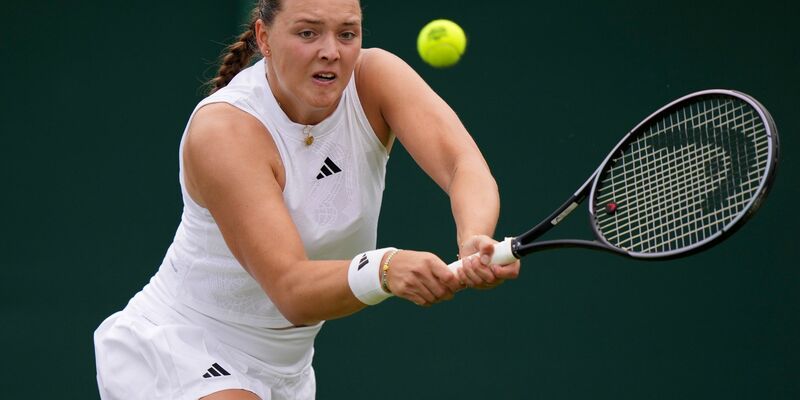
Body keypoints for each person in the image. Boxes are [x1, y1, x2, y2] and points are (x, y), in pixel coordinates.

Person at [93, 0, 520, 398]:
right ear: (263, 37)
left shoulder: (375, 78)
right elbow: (291, 289)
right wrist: (385, 268)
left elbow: (462, 165)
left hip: (289, 371)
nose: (331, 52)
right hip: (181, 346)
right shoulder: (225, 131)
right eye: (308, 33)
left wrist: (474, 238)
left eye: (347, 34)